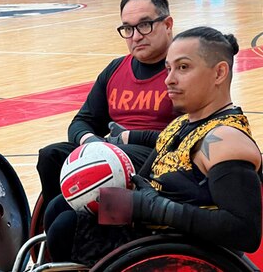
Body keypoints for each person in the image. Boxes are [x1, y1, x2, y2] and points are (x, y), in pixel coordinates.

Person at [43, 26, 262, 266]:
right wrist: (126, 138)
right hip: (153, 230)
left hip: (178, 250)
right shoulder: (182, 123)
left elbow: (244, 232)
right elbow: (147, 172)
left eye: (183, 67)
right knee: (63, 205)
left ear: (219, 73)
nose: (169, 79)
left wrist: (156, 208)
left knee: (65, 228)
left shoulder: (226, 141)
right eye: (168, 69)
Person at [37, 0, 178, 207]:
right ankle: (68, 219)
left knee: (102, 164)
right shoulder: (115, 69)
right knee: (51, 155)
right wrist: (91, 141)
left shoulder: (183, 70)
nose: (136, 36)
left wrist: (125, 140)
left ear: (167, 24)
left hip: (160, 159)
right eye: (128, 28)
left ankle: (98, 225)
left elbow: (192, 132)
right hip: (110, 151)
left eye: (144, 25)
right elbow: (81, 122)